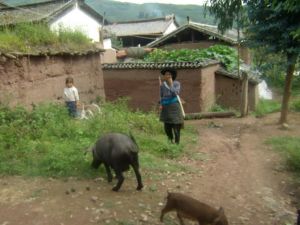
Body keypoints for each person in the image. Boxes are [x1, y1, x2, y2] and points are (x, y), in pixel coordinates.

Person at [159, 68, 184, 144]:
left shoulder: (176, 83)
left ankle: (177, 144)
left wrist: (171, 84)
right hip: (166, 108)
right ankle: (170, 141)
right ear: (164, 76)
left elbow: (175, 93)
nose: (168, 76)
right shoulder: (163, 85)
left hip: (174, 107)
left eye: (169, 74)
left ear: (172, 75)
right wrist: (161, 103)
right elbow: (161, 95)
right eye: (166, 74)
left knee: (176, 127)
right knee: (167, 127)